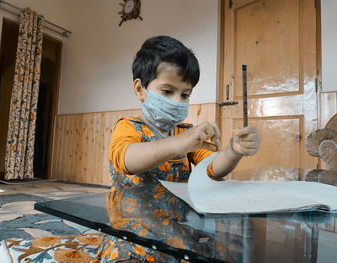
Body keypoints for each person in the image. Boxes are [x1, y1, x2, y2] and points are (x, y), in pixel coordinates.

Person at [91, 35, 260, 263]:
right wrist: (179, 143)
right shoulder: (128, 127)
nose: (178, 101)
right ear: (140, 89)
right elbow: (126, 159)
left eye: (185, 95)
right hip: (132, 228)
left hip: (177, 228)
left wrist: (233, 150)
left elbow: (212, 169)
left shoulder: (186, 133)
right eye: (167, 91)